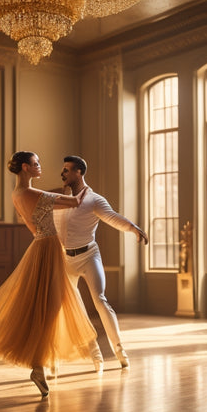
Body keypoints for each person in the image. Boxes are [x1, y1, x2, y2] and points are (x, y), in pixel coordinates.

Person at [0, 151, 97, 397]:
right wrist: (82, 186)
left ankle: (40, 365)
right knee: (50, 308)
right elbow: (74, 202)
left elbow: (45, 203)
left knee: (45, 307)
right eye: (36, 164)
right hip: (49, 249)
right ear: (25, 167)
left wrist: (62, 187)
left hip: (40, 245)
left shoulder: (18, 194)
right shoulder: (35, 194)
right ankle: (38, 365)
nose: (40, 167)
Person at [53, 155, 148, 372]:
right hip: (65, 259)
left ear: (79, 172)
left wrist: (133, 228)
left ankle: (119, 349)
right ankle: (91, 355)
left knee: (100, 300)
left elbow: (113, 217)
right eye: (63, 170)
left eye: (67, 170)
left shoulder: (94, 199)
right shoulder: (60, 199)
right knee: (68, 309)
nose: (63, 174)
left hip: (89, 256)